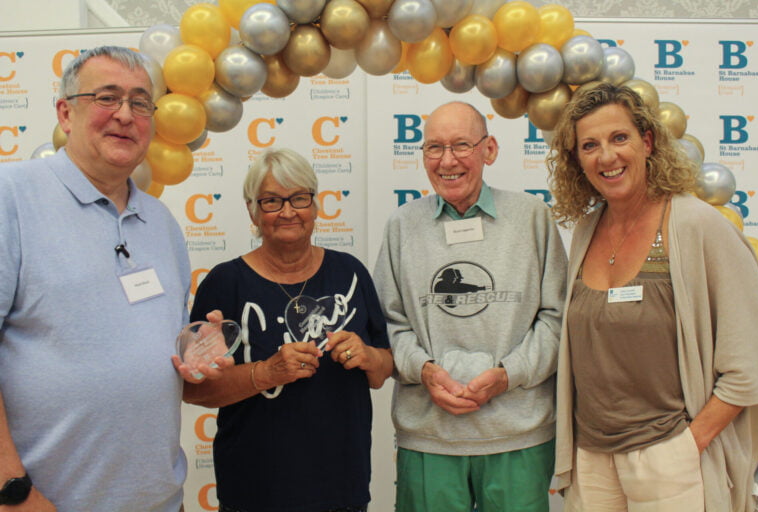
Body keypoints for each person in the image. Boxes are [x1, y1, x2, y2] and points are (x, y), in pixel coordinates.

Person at [0, 46, 227, 512]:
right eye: (107, 97)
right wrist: (12, 492)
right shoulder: (12, 198)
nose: (125, 115)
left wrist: (196, 347)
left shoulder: (162, 222)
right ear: (66, 113)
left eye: (141, 102)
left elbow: (150, 344)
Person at [546, 82, 758, 511]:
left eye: (619, 138)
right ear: (576, 159)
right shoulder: (586, 233)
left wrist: (688, 445)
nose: (606, 156)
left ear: (647, 142)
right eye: (589, 145)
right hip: (592, 460)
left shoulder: (696, 226)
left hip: (670, 456)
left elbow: (752, 361)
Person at [373, 101, 567, 512]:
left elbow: (556, 317)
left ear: (489, 149)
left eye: (461, 145)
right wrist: (423, 371)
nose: (447, 161)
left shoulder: (533, 217)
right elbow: (389, 322)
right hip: (429, 435)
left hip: (519, 434)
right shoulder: (402, 225)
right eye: (434, 148)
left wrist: (507, 375)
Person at [180, 148, 393, 512]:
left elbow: (383, 368)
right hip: (255, 489)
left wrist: (368, 355)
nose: (288, 211)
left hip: (342, 486)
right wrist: (266, 372)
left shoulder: (350, 273)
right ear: (252, 210)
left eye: (299, 198)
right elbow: (194, 390)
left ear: (315, 204)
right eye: (272, 201)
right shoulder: (224, 283)